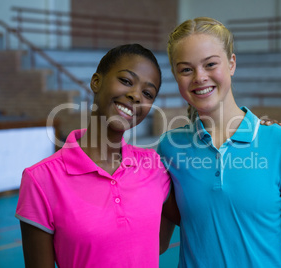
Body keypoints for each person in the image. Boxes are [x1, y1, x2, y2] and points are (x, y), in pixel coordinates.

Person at [158, 17, 281, 267]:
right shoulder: (169, 148)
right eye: (186, 69)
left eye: (210, 64)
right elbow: (154, 243)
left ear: (231, 63)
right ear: (176, 75)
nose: (200, 77)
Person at [15, 44, 171, 268]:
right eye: (126, 81)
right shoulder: (40, 179)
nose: (136, 95)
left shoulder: (154, 166)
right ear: (96, 81)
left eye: (148, 93)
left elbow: (159, 243)